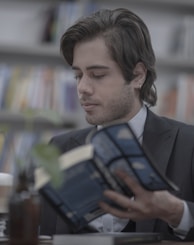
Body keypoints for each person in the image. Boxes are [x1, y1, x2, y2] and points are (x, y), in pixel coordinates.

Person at [39, 8, 194, 241]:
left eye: (98, 75)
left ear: (138, 75)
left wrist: (176, 211)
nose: (82, 88)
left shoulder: (188, 143)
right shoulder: (59, 148)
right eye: (78, 75)